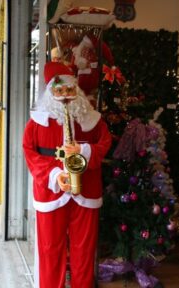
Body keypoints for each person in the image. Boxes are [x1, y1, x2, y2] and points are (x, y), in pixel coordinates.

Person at [23, 62, 112, 288]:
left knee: (84, 249)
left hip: (86, 189)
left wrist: (84, 151)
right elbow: (29, 152)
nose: (65, 96)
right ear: (50, 92)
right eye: (59, 90)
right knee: (50, 248)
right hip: (51, 192)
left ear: (77, 90)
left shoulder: (92, 118)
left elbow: (105, 143)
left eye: (69, 90)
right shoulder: (36, 122)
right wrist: (53, 175)